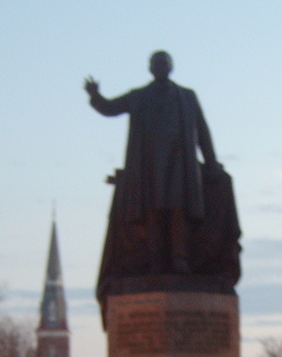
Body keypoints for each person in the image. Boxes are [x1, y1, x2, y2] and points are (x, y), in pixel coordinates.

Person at [84, 51, 220, 275]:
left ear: (171, 67)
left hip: (179, 161)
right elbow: (111, 108)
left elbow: (202, 130)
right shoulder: (139, 96)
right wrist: (95, 96)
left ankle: (179, 257)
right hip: (148, 163)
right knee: (152, 211)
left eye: (164, 63)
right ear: (150, 68)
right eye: (156, 64)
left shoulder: (186, 96)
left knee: (178, 210)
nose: (161, 67)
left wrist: (211, 162)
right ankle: (156, 259)